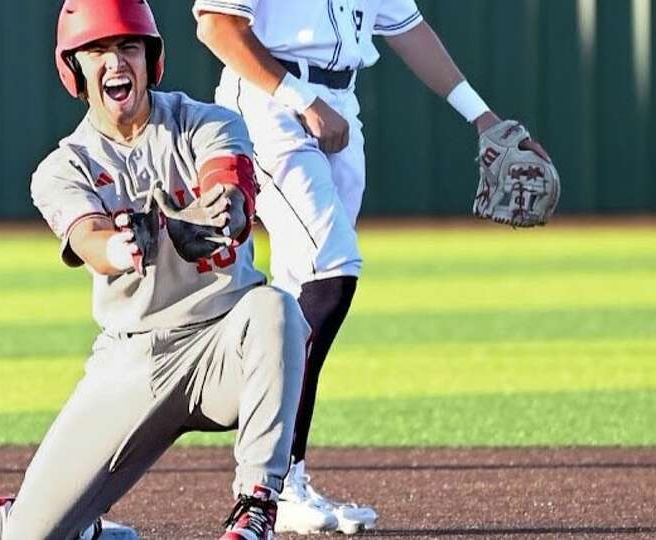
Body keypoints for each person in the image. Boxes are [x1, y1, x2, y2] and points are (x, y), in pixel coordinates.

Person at [191, 0, 553, 535]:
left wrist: (485, 119)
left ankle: (284, 477)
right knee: (330, 274)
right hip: (271, 106)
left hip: (340, 105)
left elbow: (410, 30)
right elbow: (217, 26)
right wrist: (300, 97)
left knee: (296, 302)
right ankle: (273, 480)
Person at [0, 1, 309, 539]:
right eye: (97, 51)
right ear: (73, 68)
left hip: (223, 343)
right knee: (33, 536)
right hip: (133, 357)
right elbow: (91, 242)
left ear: (151, 60)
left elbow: (232, 198)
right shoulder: (62, 167)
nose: (115, 62)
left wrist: (212, 214)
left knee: (275, 308)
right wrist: (125, 248)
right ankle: (53, 524)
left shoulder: (208, 122)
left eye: (128, 47)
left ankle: (255, 505)